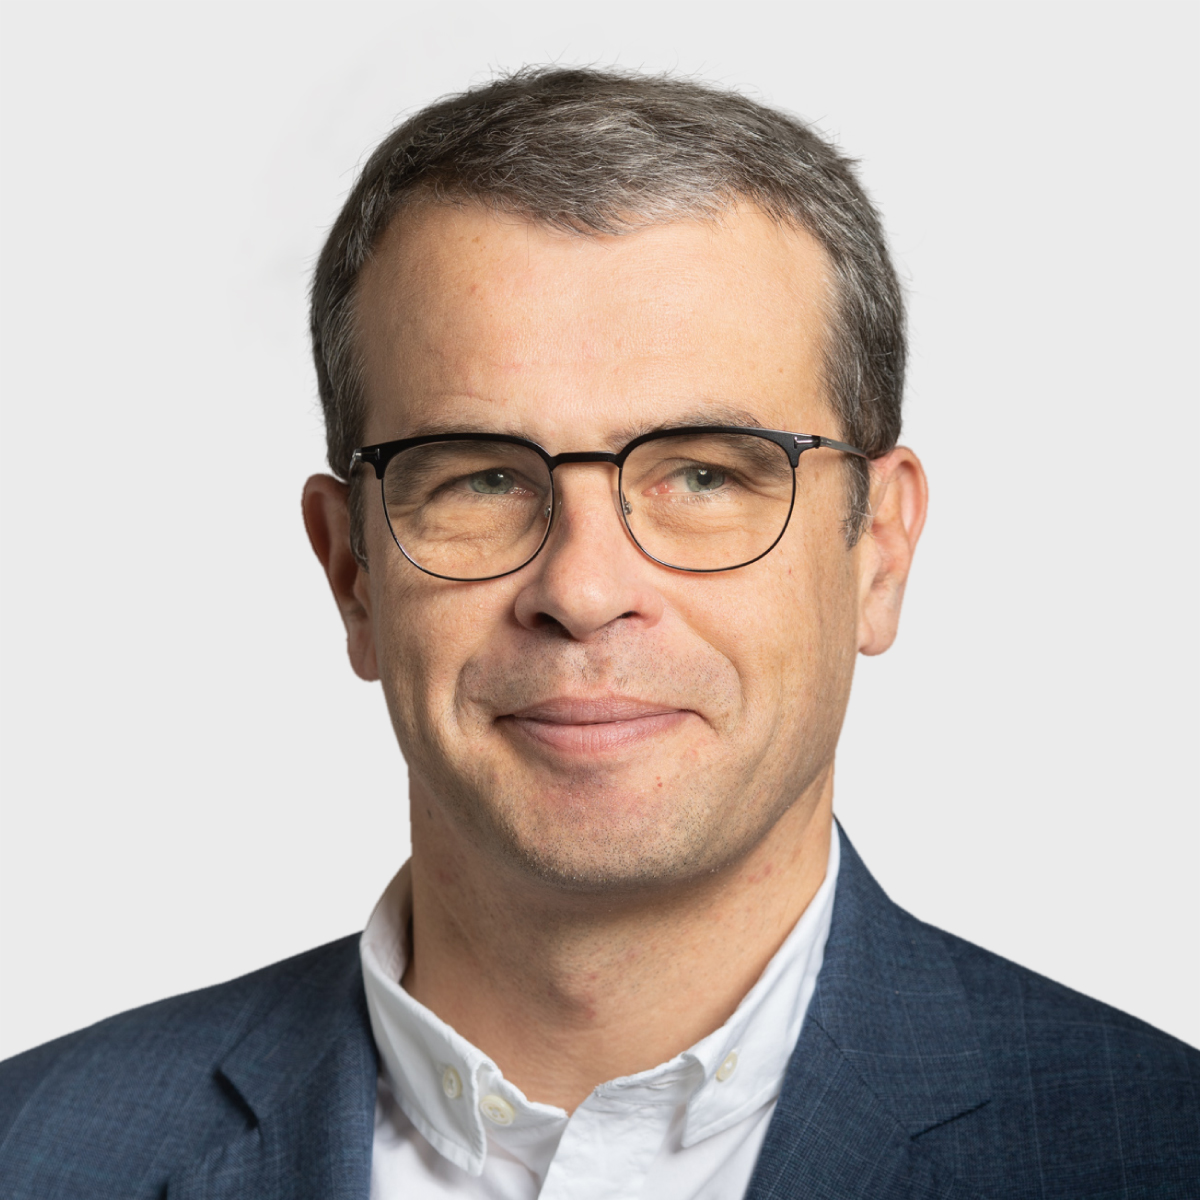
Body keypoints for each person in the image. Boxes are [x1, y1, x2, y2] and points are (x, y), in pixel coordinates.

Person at [1, 66, 1195, 1200]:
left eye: (706, 474)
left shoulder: (1160, 1151)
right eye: (479, 479)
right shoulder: (35, 1154)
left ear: (879, 549)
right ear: (351, 570)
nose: (581, 588)